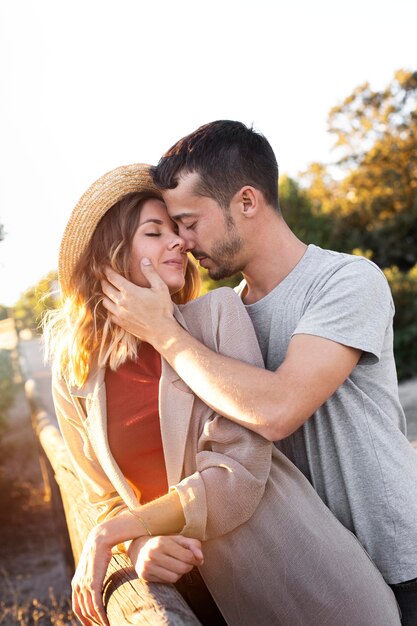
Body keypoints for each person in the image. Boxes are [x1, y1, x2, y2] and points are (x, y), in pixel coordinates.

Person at [44, 163, 401, 626]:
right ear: (110, 256)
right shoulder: (76, 372)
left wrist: (116, 532)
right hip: (191, 602)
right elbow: (103, 496)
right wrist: (140, 544)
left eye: (178, 229)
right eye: (156, 233)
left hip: (299, 581)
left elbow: (237, 474)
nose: (179, 242)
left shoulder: (218, 316)